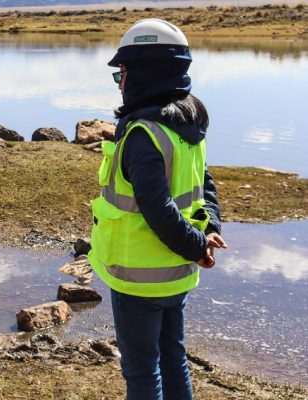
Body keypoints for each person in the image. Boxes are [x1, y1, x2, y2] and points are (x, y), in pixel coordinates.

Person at [87, 19, 228, 400]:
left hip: (139, 278)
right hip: (176, 274)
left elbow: (159, 209)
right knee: (172, 356)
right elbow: (205, 184)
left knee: (142, 371)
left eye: (123, 72)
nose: (121, 82)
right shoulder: (188, 122)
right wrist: (206, 233)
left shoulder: (143, 133)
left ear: (145, 72)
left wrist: (198, 246)